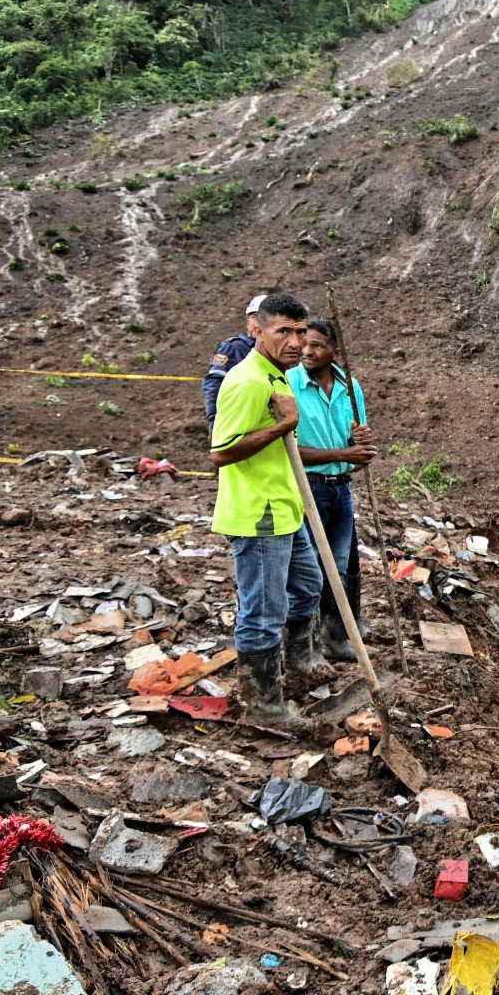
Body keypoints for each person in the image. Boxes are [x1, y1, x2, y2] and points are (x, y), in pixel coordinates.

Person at [209, 291, 320, 724]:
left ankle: (298, 669)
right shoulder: (247, 380)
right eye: (284, 332)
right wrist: (284, 424)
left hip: (286, 508)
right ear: (257, 329)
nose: (296, 342)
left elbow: (285, 446)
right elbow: (221, 452)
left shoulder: (281, 375)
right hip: (259, 514)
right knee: (263, 612)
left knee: (308, 586)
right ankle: (262, 703)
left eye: (300, 332)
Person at [288, 318, 374, 663]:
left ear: (335, 353)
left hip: (341, 489)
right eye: (305, 343)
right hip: (309, 487)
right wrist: (344, 453)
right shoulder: (288, 384)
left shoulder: (349, 388)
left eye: (317, 345)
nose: (307, 351)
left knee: (342, 566)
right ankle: (303, 646)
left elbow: (356, 445)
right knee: (309, 569)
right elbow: (287, 448)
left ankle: (336, 638)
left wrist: (361, 448)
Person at [202, 293, 266, 422]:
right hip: (237, 418)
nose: (257, 322)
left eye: (262, 317)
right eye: (253, 317)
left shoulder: (275, 351)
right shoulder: (233, 348)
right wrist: (214, 419)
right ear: (248, 321)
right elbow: (214, 382)